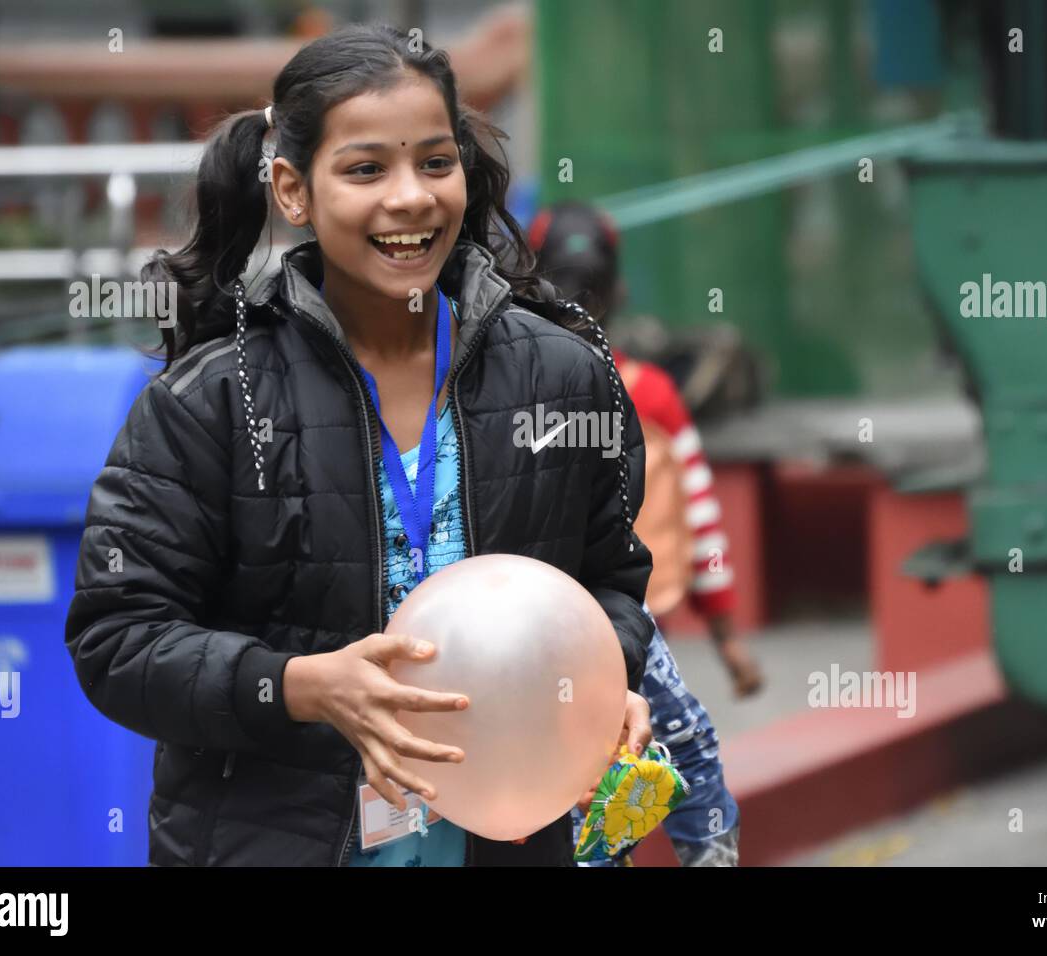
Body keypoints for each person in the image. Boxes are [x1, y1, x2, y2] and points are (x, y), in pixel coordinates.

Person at [65, 25, 654, 867]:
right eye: (366, 169)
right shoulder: (213, 400)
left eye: (435, 162)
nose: (411, 198)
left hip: (514, 839)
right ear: (293, 191)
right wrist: (299, 687)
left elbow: (613, 584)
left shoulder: (561, 378)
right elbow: (116, 639)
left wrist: (602, 685)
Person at [532, 202, 758, 866]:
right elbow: (702, 513)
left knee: (593, 764)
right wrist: (727, 634)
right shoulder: (650, 390)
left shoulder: (515, 382)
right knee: (670, 744)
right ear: (622, 291)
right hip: (627, 618)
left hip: (574, 627)